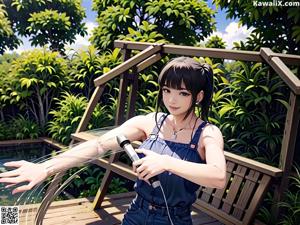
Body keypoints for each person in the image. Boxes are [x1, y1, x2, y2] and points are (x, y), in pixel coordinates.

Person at [0, 57, 226, 225]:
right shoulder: (150, 123)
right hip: (137, 212)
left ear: (198, 96)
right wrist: (46, 167)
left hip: (174, 219)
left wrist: (166, 163)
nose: (172, 99)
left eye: (183, 93)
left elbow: (218, 176)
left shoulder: (207, 133)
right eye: (167, 90)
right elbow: (99, 145)